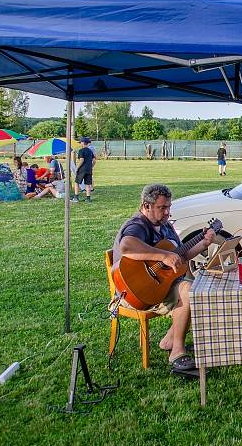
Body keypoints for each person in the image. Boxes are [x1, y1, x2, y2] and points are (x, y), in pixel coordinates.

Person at [113, 184, 214, 373]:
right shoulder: (137, 225)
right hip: (137, 290)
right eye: (162, 208)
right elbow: (127, 246)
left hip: (160, 285)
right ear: (146, 206)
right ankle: (177, 352)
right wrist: (162, 256)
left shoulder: (165, 226)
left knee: (195, 287)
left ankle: (169, 340)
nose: (167, 212)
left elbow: (181, 255)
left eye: (168, 207)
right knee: (188, 290)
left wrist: (204, 243)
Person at [72, 137, 96, 202]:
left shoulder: (81, 150)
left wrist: (77, 168)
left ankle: (76, 198)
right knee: (88, 184)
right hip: (89, 170)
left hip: (82, 170)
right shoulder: (90, 151)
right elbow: (94, 160)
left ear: (82, 143)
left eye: (80, 142)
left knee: (77, 182)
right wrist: (91, 167)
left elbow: (82, 160)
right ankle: (88, 198)